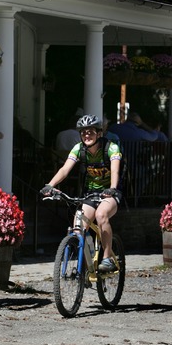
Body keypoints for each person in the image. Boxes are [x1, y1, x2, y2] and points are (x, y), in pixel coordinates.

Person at [40, 114, 122, 273]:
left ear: (99, 133)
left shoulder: (111, 148)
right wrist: (50, 185)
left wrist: (112, 187)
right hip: (91, 193)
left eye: (90, 132)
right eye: (83, 132)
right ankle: (84, 268)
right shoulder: (79, 149)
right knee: (78, 228)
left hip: (111, 192)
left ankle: (106, 259)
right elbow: (64, 169)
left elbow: (115, 170)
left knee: (101, 215)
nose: (86, 135)